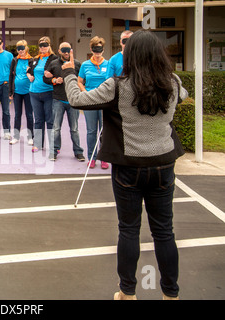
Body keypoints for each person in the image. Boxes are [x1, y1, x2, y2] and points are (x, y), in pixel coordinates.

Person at [62, 30, 188, 300]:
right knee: (164, 231)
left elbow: (77, 99)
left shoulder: (117, 86)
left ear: (129, 56)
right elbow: (184, 95)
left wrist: (70, 74)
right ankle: (170, 294)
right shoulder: (173, 82)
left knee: (129, 229)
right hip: (163, 164)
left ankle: (128, 292)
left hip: (129, 167)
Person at [43, 42, 84, 162]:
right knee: (56, 128)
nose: (66, 52)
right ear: (59, 51)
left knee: (74, 129)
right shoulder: (54, 63)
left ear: (71, 51)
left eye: (68, 50)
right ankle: (54, 151)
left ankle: (78, 152)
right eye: (63, 50)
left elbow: (83, 79)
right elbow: (45, 78)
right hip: (58, 100)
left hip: (73, 101)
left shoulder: (76, 64)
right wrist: (54, 80)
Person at [77, 36, 109, 169]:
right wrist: (85, 92)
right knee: (91, 131)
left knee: (104, 131)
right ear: (91, 49)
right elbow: (79, 81)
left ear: (103, 49)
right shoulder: (85, 65)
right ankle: (92, 158)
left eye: (100, 49)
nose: (97, 52)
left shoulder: (108, 64)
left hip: (104, 101)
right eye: (95, 49)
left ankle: (104, 158)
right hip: (90, 101)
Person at [28, 36, 57, 153]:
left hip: (48, 92)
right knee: (38, 119)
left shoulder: (54, 59)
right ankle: (38, 144)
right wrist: (29, 75)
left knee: (50, 120)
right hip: (34, 92)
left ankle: (52, 145)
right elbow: (29, 70)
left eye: (45, 45)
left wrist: (53, 77)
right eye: (41, 45)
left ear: (49, 46)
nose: (43, 47)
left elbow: (59, 73)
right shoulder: (35, 59)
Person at [8, 40, 34, 146]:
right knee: (17, 115)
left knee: (29, 114)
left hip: (29, 91)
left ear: (26, 48)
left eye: (22, 48)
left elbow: (34, 75)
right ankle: (16, 136)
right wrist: (11, 92)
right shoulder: (15, 60)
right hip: (17, 92)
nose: (20, 50)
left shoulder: (32, 60)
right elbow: (11, 76)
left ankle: (30, 137)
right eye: (18, 48)